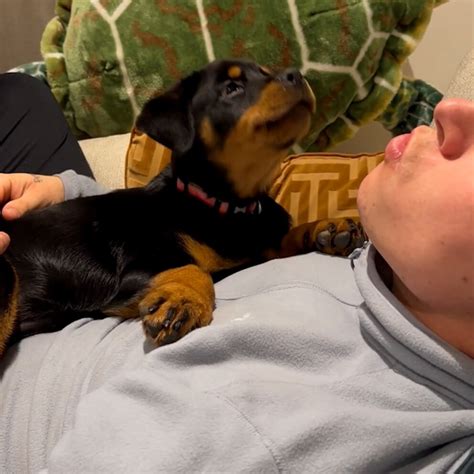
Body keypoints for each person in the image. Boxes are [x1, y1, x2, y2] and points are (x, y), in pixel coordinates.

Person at [0, 73, 473, 473]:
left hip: (20, 336)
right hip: (56, 239)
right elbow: (152, 228)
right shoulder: (394, 264)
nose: (450, 108)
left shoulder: (270, 424)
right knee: (23, 92)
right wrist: (68, 192)